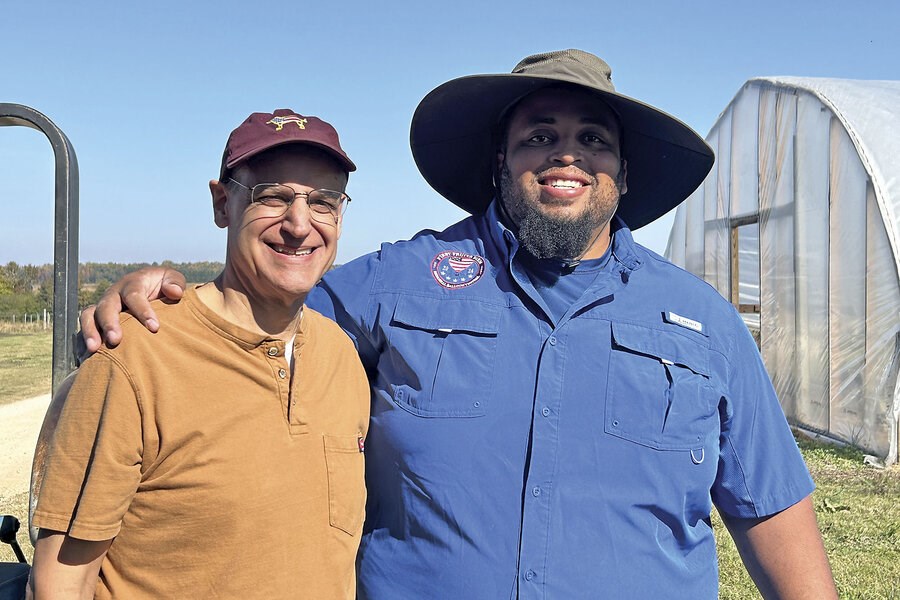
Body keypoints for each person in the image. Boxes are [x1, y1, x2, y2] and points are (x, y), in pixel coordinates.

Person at [83, 51, 837, 599]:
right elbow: (251, 315)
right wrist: (162, 296)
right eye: (538, 135)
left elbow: (772, 510)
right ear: (499, 164)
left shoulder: (702, 321)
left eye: (593, 139)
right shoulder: (397, 282)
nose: (566, 153)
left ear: (624, 175)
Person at [29, 110, 369, 599]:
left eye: (323, 201)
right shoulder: (134, 359)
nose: (300, 224)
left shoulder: (341, 356)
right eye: (272, 196)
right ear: (222, 203)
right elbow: (63, 580)